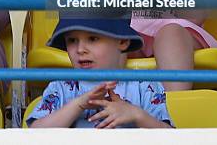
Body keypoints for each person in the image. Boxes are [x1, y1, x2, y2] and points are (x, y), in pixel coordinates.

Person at [27, 17, 172, 129]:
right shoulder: (60, 87)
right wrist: (78, 105)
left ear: (122, 41)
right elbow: (34, 133)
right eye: (72, 40)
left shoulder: (145, 85)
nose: (80, 49)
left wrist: (137, 115)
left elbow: (172, 138)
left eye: (93, 38)